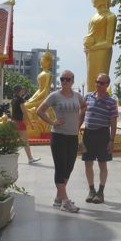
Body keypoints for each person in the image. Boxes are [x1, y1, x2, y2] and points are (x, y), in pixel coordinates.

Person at [36, 70, 86, 213]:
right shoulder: (54, 96)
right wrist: (53, 122)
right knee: (60, 167)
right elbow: (39, 111)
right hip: (58, 136)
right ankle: (65, 201)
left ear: (73, 81)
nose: (65, 81)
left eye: (68, 79)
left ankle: (59, 198)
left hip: (73, 136)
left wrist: (79, 122)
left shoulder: (77, 96)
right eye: (62, 79)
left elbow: (84, 107)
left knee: (69, 167)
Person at [79, 73, 118, 204]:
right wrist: (76, 128)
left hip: (103, 134)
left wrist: (111, 140)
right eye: (97, 82)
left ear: (107, 85)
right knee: (88, 162)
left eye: (101, 83)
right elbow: (82, 115)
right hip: (88, 133)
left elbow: (113, 122)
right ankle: (91, 190)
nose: (98, 85)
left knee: (102, 163)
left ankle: (100, 191)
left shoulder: (111, 102)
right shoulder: (88, 97)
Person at [84, 0, 117, 92]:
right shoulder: (93, 17)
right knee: (91, 82)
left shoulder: (110, 16)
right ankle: (90, 100)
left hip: (102, 51)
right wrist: (87, 47)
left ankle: (101, 98)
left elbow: (108, 43)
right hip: (91, 53)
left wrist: (92, 47)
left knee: (100, 79)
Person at [24, 49, 54, 134]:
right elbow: (39, 89)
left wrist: (36, 99)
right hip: (39, 96)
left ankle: (35, 124)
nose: (41, 61)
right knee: (26, 104)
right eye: (41, 60)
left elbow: (45, 90)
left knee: (25, 106)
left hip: (44, 98)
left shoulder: (48, 74)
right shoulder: (41, 74)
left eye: (43, 60)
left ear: (48, 62)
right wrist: (32, 99)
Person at [11, 86, 40, 164]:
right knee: (25, 141)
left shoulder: (13, 99)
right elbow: (25, 112)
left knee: (14, 140)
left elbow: (13, 111)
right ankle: (30, 158)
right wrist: (30, 123)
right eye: (22, 89)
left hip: (13, 121)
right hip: (19, 122)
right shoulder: (20, 99)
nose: (23, 91)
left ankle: (9, 156)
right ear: (19, 90)